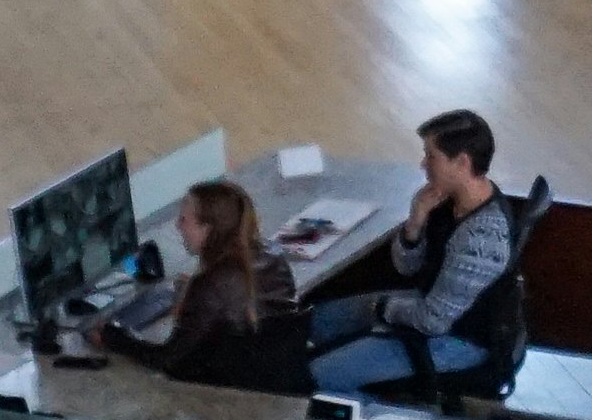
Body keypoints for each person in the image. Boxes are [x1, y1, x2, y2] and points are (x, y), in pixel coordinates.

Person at [307, 110, 523, 397]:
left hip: (458, 341)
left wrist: (382, 309)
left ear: (461, 162)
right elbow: (407, 268)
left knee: (321, 377)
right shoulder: (451, 200)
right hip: (428, 307)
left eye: (431, 156)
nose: (423, 164)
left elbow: (432, 321)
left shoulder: (481, 237)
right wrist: (416, 222)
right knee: (317, 322)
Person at [99, 179, 301, 395]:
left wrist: (112, 337)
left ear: (207, 229)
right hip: (276, 377)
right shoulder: (274, 255)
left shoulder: (211, 284)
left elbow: (167, 359)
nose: (178, 226)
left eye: (184, 220)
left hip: (230, 393)